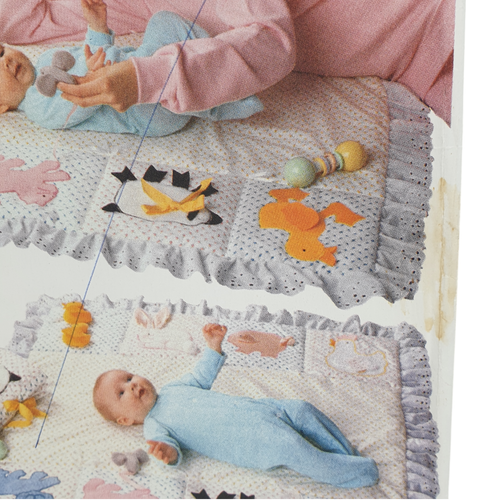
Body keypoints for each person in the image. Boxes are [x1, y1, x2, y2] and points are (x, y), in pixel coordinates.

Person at [0, 0, 455, 125]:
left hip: (437, 26)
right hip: (418, 65)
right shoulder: (70, 13)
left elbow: (271, 43)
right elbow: (22, 19)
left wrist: (149, 77)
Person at [93, 323, 380, 489]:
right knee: (297, 449)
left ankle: (345, 453)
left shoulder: (171, 389)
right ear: (125, 420)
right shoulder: (154, 425)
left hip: (264, 409)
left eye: (129, 377)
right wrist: (167, 453)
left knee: (302, 409)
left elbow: (200, 376)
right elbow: (169, 449)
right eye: (122, 392)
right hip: (254, 441)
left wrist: (213, 347)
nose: (132, 385)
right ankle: (360, 472)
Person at [0, 1, 263, 136]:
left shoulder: (46, 58)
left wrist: (97, 27)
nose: (6, 61)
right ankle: (218, 100)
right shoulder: (37, 107)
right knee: (161, 47)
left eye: (1, 52)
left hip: (139, 67)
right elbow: (78, 101)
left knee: (164, 21)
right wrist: (91, 76)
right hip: (140, 109)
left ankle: (213, 63)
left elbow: (92, 54)